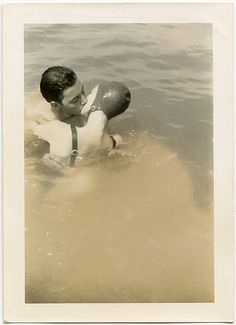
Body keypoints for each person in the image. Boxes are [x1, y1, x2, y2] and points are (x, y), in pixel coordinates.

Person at [30, 66, 131, 168]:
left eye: (82, 91)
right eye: (75, 100)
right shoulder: (41, 118)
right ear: (56, 105)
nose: (84, 100)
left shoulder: (84, 111)